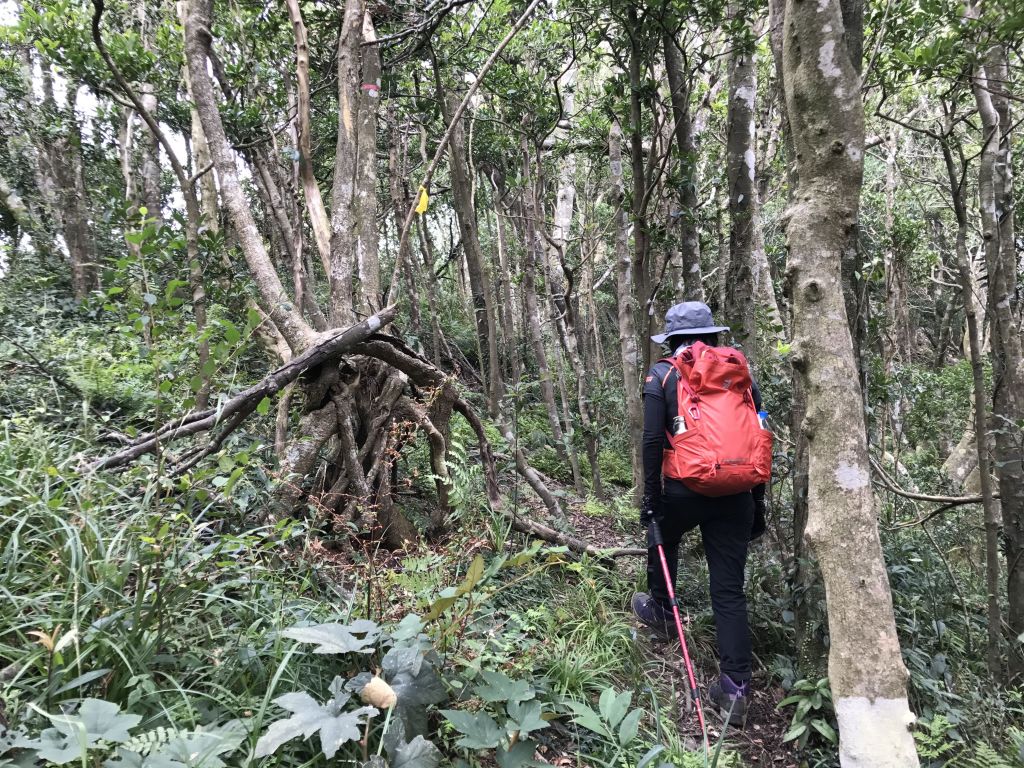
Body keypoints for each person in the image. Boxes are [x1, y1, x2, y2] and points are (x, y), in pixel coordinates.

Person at [631, 301, 767, 726]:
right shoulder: (738, 374)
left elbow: (653, 442)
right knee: (729, 590)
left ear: (672, 340)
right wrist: (757, 500)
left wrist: (650, 500)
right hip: (737, 493)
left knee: (663, 537)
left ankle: (663, 613)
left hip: (683, 489)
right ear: (712, 335)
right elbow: (757, 437)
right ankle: (734, 689)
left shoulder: (662, 374)